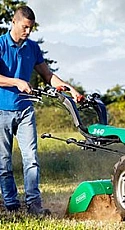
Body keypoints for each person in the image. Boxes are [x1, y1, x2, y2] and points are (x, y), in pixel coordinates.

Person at [0, 6, 81, 215]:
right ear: (14, 22)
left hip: (26, 110)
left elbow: (47, 75)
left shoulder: (32, 48)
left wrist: (69, 87)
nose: (28, 32)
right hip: (2, 111)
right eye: (25, 27)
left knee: (31, 159)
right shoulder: (0, 44)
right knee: (4, 161)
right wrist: (16, 82)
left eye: (31, 28)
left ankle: (34, 204)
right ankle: (11, 203)